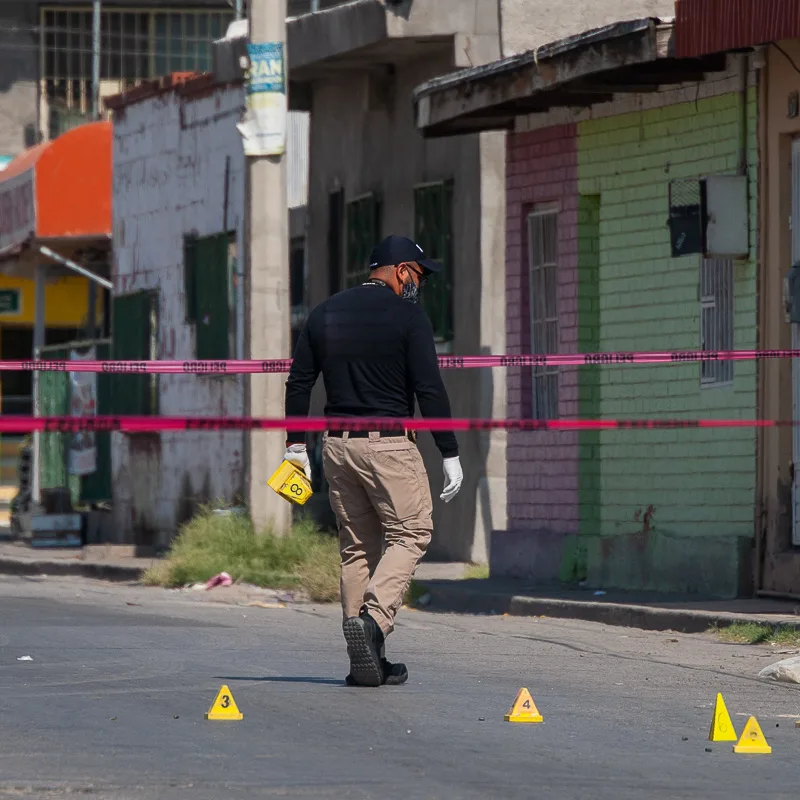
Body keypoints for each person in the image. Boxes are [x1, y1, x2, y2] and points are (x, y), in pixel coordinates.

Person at [283, 235, 463, 687]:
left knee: (357, 546)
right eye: (418, 276)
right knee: (412, 531)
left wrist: (295, 446)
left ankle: (365, 658)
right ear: (401, 270)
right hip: (389, 446)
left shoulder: (325, 313)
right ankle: (373, 621)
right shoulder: (409, 317)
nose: (419, 285)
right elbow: (430, 389)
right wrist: (449, 451)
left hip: (338, 448)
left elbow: (299, 382)